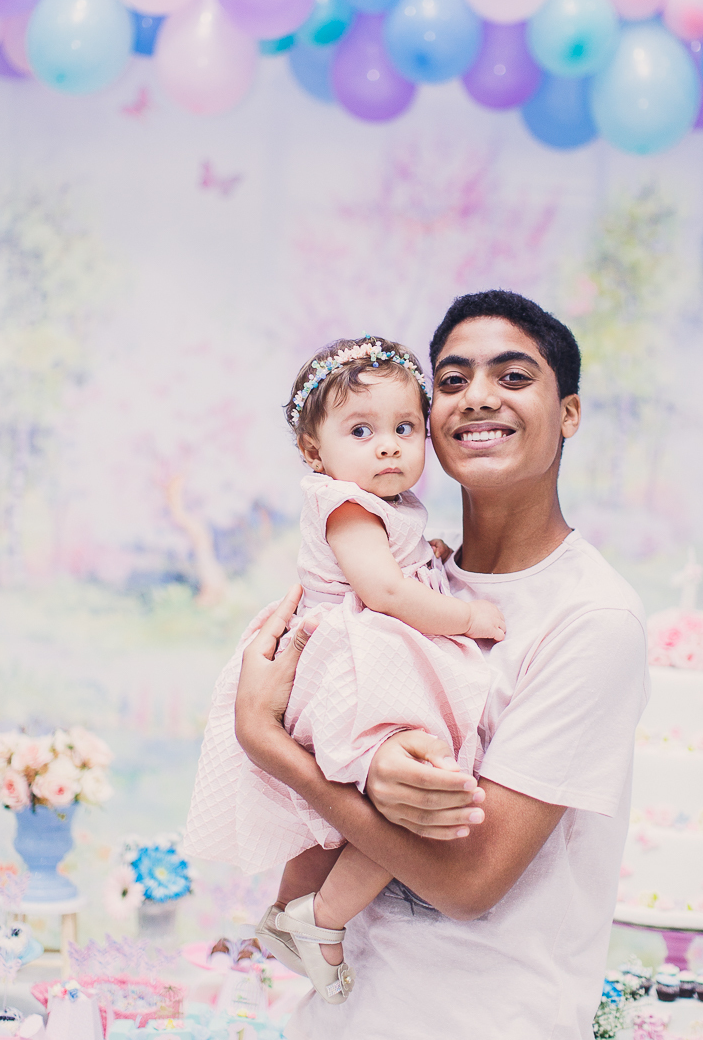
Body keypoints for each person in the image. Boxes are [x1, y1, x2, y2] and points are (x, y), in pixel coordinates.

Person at [233, 290, 650, 1040]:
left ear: (568, 415)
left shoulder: (592, 617)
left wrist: (272, 746)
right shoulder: (412, 578)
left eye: (514, 376)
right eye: (452, 380)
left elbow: (468, 880)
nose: (478, 396)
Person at [185, 334, 506, 1004]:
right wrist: (471, 619)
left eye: (404, 428)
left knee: (361, 805)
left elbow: (400, 569)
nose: (388, 445)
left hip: (368, 659)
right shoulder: (347, 506)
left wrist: (428, 555)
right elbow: (386, 593)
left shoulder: (388, 505)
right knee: (413, 789)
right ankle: (317, 921)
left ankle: (294, 915)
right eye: (361, 430)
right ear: (315, 452)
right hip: (346, 668)